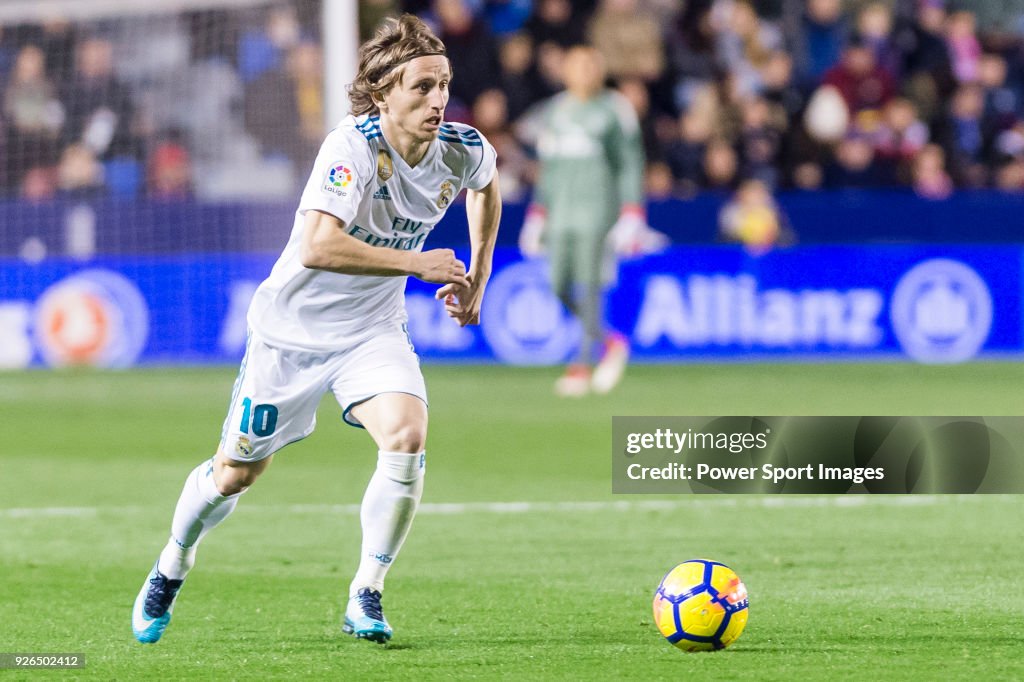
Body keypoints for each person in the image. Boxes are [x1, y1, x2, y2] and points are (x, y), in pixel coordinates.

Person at [132, 14, 501, 645]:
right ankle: (173, 561)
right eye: (421, 87)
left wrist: (479, 277)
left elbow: (486, 185)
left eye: (442, 84)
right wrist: (417, 262)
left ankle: (368, 591)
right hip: (292, 335)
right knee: (235, 474)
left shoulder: (462, 149)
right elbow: (317, 245)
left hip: (371, 329)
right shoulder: (351, 147)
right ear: (384, 92)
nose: (437, 99)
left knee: (407, 435)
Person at [518, 45, 646, 397]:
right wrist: (537, 214)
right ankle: (610, 340)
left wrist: (632, 210)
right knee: (557, 283)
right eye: (578, 65)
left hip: (597, 208)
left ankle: (582, 363)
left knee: (590, 285)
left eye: (591, 65)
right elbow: (548, 169)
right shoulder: (555, 112)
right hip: (560, 211)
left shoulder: (614, 109)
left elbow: (630, 162)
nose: (585, 72)